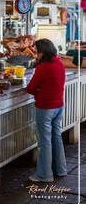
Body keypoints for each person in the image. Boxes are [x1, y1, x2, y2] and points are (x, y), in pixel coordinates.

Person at [27, 39, 67, 182]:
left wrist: (38, 89)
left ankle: (44, 175)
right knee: (56, 137)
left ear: (42, 53)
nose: (36, 54)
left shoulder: (43, 68)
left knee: (44, 142)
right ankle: (60, 169)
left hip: (45, 108)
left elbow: (30, 89)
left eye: (37, 51)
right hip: (59, 106)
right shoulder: (59, 63)